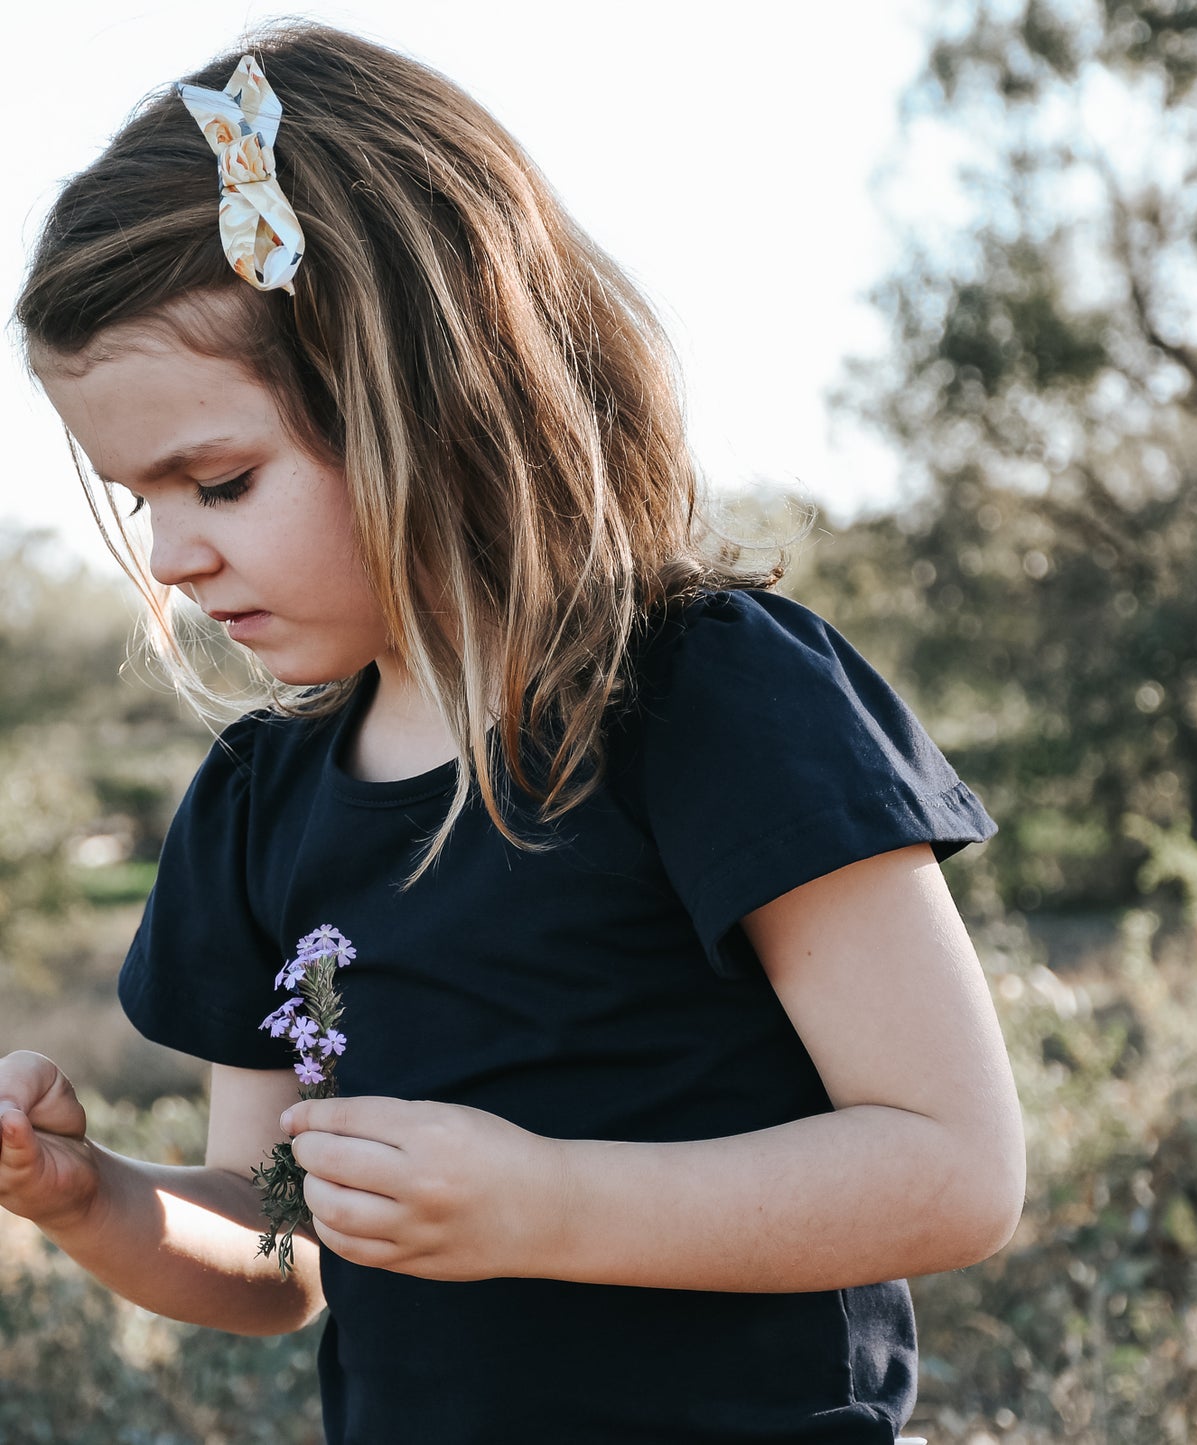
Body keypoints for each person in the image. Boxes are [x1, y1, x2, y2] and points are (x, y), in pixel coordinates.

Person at [0, 23, 1025, 1444]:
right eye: (139, 498)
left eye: (220, 481)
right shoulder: (258, 806)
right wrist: (92, 1194)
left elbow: (953, 1167)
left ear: (434, 388)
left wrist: (546, 1204)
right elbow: (282, 1245)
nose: (169, 552)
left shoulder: (705, 697)